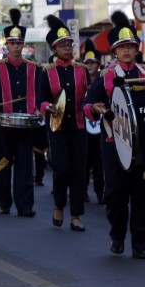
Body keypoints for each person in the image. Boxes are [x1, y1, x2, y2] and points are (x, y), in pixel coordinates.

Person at [83, 11, 145, 259]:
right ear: (114, 52)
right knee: (115, 193)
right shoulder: (106, 76)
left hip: (141, 145)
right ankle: (117, 235)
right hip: (112, 142)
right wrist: (96, 108)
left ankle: (140, 244)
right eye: (122, 47)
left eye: (130, 46)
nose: (127, 51)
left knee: (141, 195)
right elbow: (88, 104)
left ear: (137, 49)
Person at [38, 15, 89, 232]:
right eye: (63, 46)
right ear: (54, 49)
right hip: (57, 128)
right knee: (62, 168)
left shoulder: (82, 69)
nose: (68, 49)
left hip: (78, 127)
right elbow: (41, 99)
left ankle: (76, 215)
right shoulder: (47, 72)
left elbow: (88, 96)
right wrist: (46, 106)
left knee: (79, 170)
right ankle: (59, 205)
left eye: (70, 44)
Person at [0, 9, 39, 217]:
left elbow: (40, 93)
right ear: (7, 45)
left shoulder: (34, 68)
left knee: (25, 167)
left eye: (19, 43)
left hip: (26, 125)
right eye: (12, 43)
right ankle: (4, 201)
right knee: (4, 165)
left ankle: (25, 205)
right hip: (3, 125)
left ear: (23, 44)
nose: (16, 47)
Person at [82, 38, 104, 206]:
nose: (90, 65)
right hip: (83, 126)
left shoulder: (103, 79)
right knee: (83, 162)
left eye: (93, 62)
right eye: (87, 62)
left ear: (98, 64)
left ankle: (100, 192)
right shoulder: (79, 78)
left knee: (99, 162)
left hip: (100, 126)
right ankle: (82, 192)